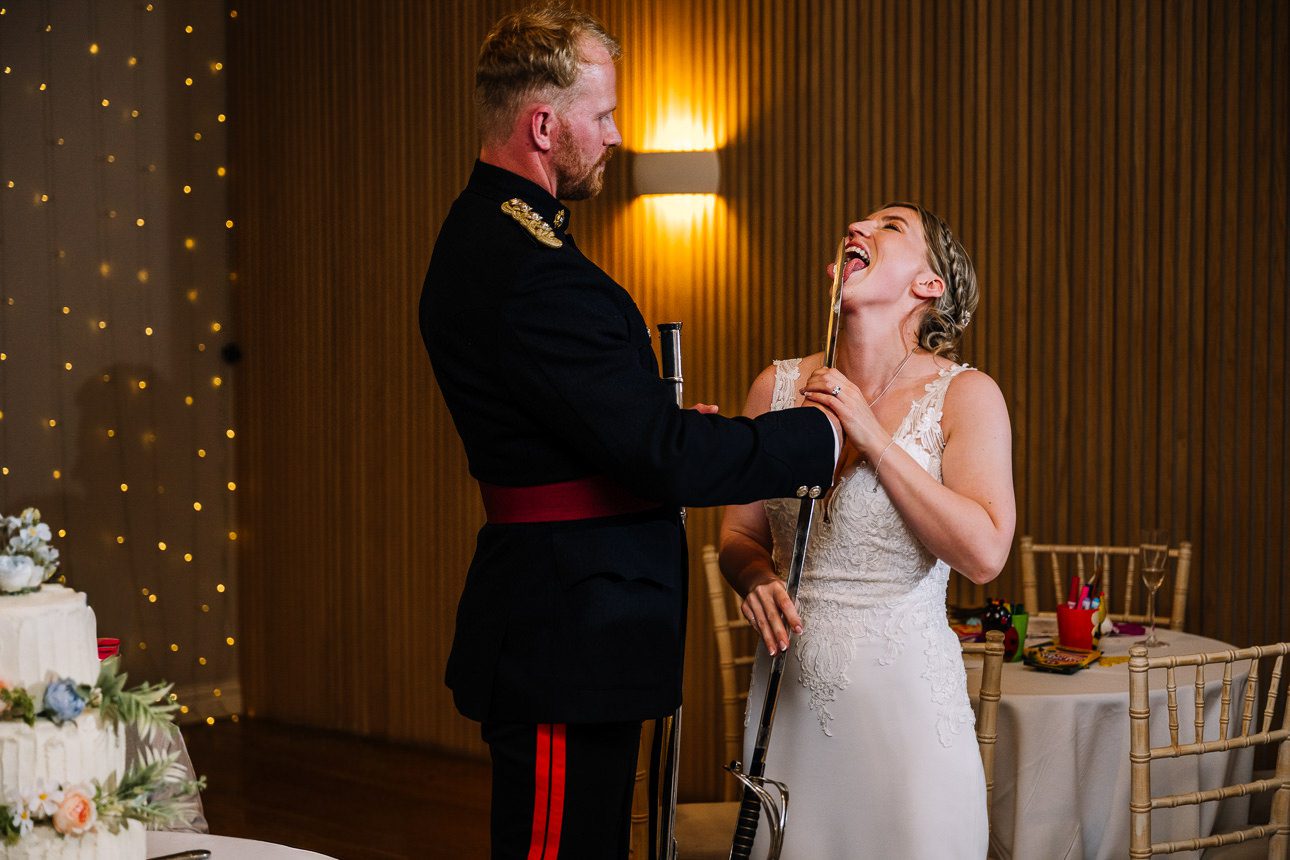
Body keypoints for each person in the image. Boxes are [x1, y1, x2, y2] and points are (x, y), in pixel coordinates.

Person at [419, 4, 840, 857]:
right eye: (603, 115)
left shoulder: (501, 240)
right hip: (562, 636)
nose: (615, 136)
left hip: (575, 634)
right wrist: (821, 440)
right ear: (544, 124)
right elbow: (668, 461)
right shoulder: (530, 271)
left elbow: (601, 430)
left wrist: (654, 427)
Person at [720, 203, 1016, 859]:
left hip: (905, 723)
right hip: (789, 704)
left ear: (929, 285)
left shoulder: (966, 396)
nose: (857, 227)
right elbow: (737, 536)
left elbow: (986, 552)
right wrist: (755, 573)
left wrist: (871, 435)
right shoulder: (776, 387)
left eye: (888, 227)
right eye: (856, 224)